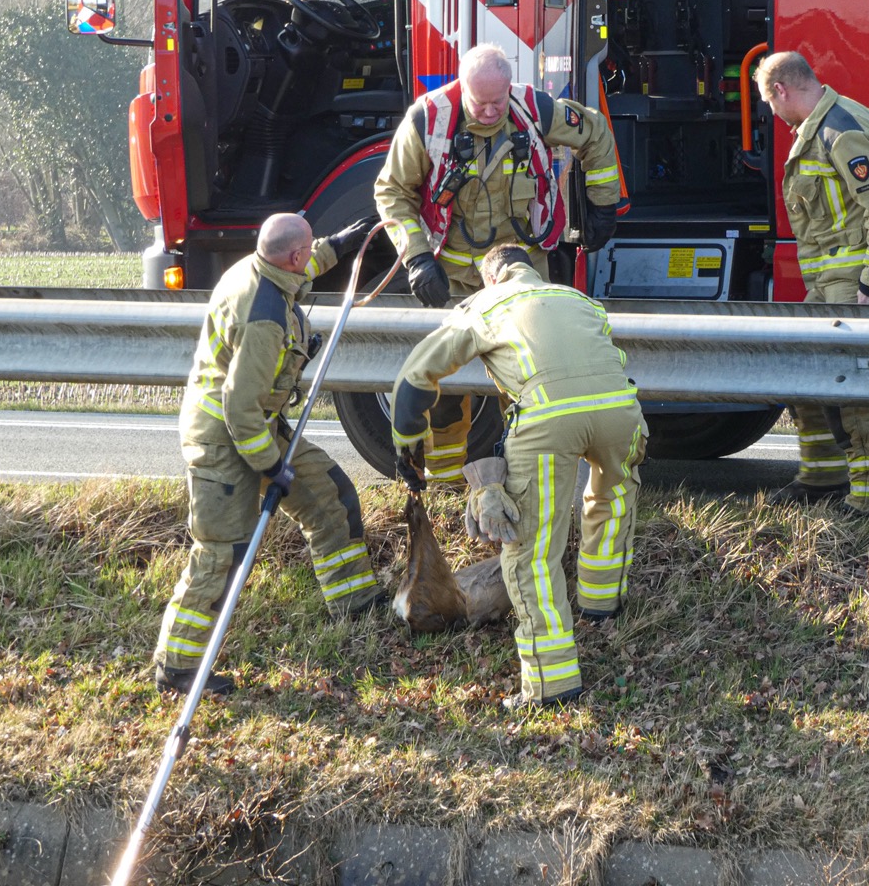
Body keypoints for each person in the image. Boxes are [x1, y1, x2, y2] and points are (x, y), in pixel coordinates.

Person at [389, 244, 648, 709]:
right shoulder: (578, 298)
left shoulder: (486, 303)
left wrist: (407, 443)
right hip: (621, 411)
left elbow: (416, 374)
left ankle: (551, 684)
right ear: (531, 269)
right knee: (611, 501)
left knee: (532, 550)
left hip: (548, 417)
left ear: (492, 277)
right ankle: (600, 605)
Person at [374, 43, 623, 486]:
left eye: (498, 101)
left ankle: (525, 483)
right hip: (451, 277)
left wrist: (602, 205)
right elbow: (392, 192)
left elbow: (596, 134)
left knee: (530, 382)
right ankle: (450, 489)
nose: (490, 112)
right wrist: (415, 259)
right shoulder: (428, 119)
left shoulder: (535, 110)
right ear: (461, 88)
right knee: (449, 390)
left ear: (510, 86)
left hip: (520, 273)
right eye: (479, 103)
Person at [153, 212, 381, 694]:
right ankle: (178, 667)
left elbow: (300, 263)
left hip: (256, 427)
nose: (311, 256)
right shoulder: (264, 318)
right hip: (224, 439)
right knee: (221, 553)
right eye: (310, 249)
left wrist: (341, 243)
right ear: (293, 255)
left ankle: (355, 602)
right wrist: (274, 467)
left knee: (326, 493)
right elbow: (239, 410)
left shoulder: (263, 267)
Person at [755, 51, 869, 517]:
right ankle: (824, 473)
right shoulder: (821, 127)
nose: (773, 114)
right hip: (831, 279)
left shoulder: (839, 130)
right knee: (805, 368)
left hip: (859, 279)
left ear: (782, 90)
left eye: (769, 102)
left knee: (851, 384)